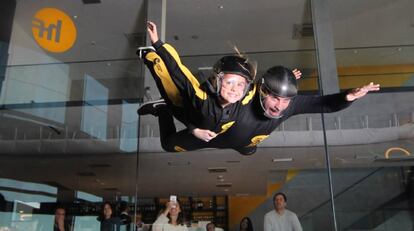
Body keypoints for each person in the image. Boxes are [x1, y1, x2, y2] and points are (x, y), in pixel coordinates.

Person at [138, 22, 380, 155]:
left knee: (247, 149)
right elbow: (184, 81)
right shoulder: (233, 101)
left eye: (285, 100)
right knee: (169, 143)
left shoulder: (288, 104)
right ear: (261, 91)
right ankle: (162, 108)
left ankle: (243, 145)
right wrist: (159, 46)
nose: (280, 107)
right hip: (209, 136)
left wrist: (347, 96)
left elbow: (324, 104)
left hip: (242, 142)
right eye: (275, 98)